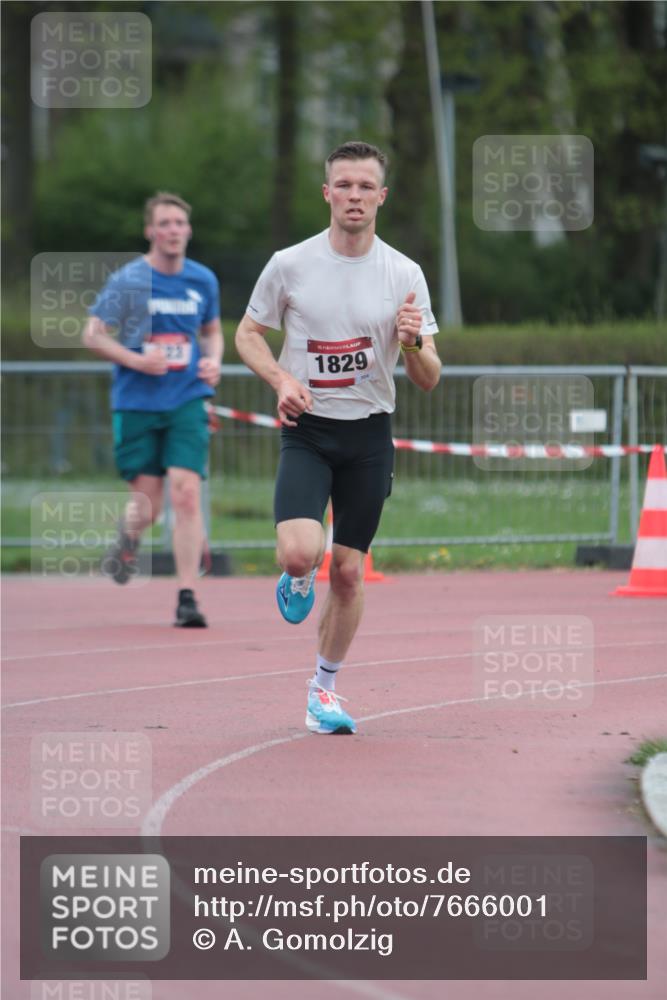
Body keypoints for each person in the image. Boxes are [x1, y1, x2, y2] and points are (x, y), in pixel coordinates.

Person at [236, 140, 441, 734]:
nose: (355, 195)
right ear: (327, 193)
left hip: (369, 436)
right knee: (303, 551)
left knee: (349, 572)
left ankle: (323, 692)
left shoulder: (404, 273)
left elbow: (428, 378)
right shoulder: (290, 264)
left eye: (365, 186)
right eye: (343, 185)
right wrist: (279, 378)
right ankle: (297, 573)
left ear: (383, 195)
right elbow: (248, 333)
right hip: (309, 430)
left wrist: (410, 343)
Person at [83, 191, 223, 627]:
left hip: (186, 399)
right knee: (147, 504)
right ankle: (127, 540)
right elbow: (93, 334)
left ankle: (187, 597)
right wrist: (137, 360)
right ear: (150, 231)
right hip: (138, 402)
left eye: (180, 223)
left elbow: (213, 331)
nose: (173, 231)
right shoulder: (129, 280)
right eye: (164, 223)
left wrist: (213, 360)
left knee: (185, 493)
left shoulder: (203, 280)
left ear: (189, 230)